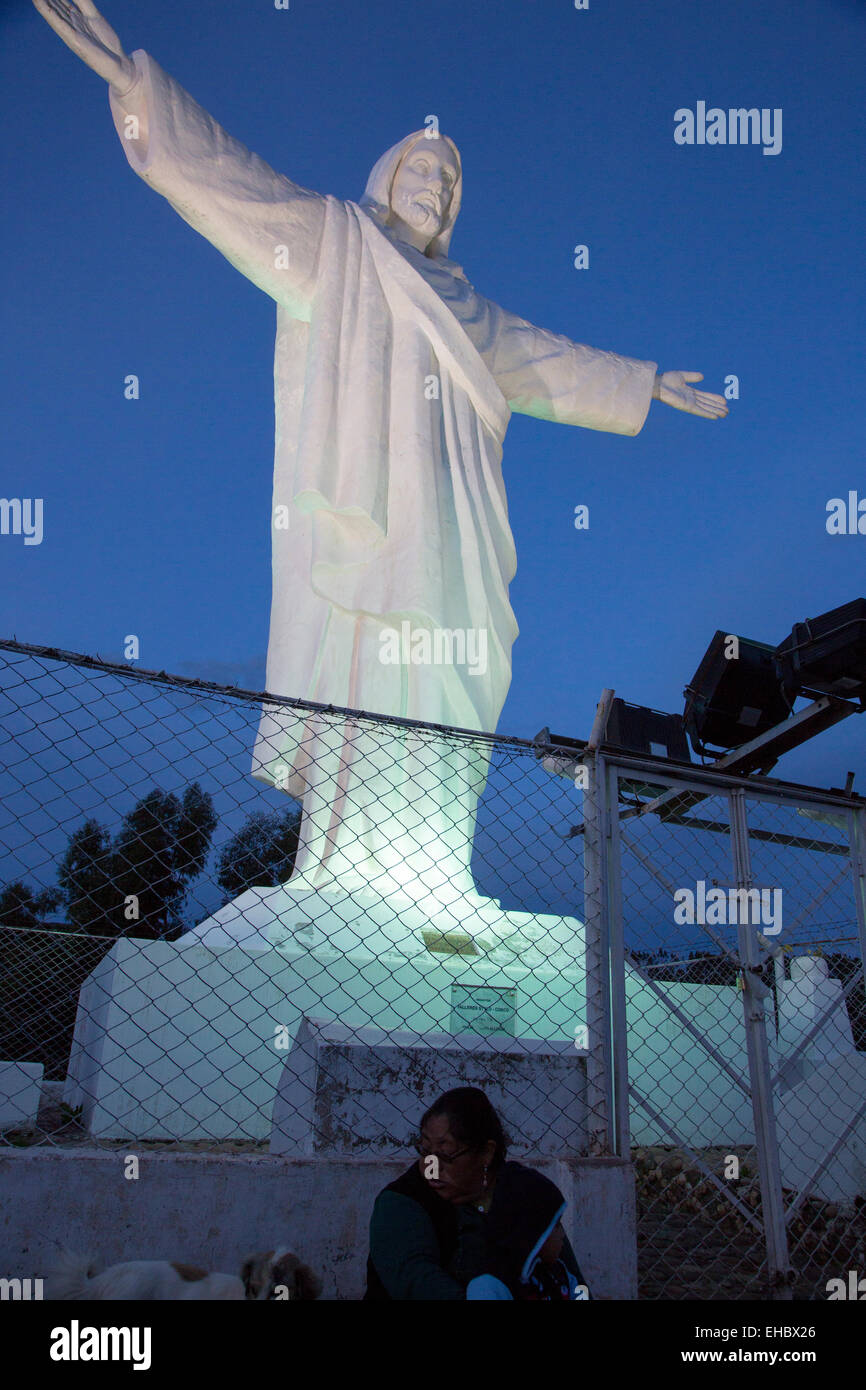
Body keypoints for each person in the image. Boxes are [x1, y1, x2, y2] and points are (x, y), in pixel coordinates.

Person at [33, 1, 728, 916]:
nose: (436, 188)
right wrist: (137, 92)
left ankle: (439, 879)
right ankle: (350, 876)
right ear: (389, 175)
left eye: (449, 181)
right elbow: (236, 185)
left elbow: (548, 360)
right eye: (424, 169)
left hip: (454, 530)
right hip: (375, 520)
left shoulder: (471, 307)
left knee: (457, 670)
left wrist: (638, 383)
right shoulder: (339, 243)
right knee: (377, 661)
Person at [364, 1086, 591, 1300]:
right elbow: (420, 1286)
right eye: (425, 1152)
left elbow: (576, 1284)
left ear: (486, 1153)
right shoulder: (401, 1205)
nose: (430, 1167)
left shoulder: (522, 1194)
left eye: (445, 1155)